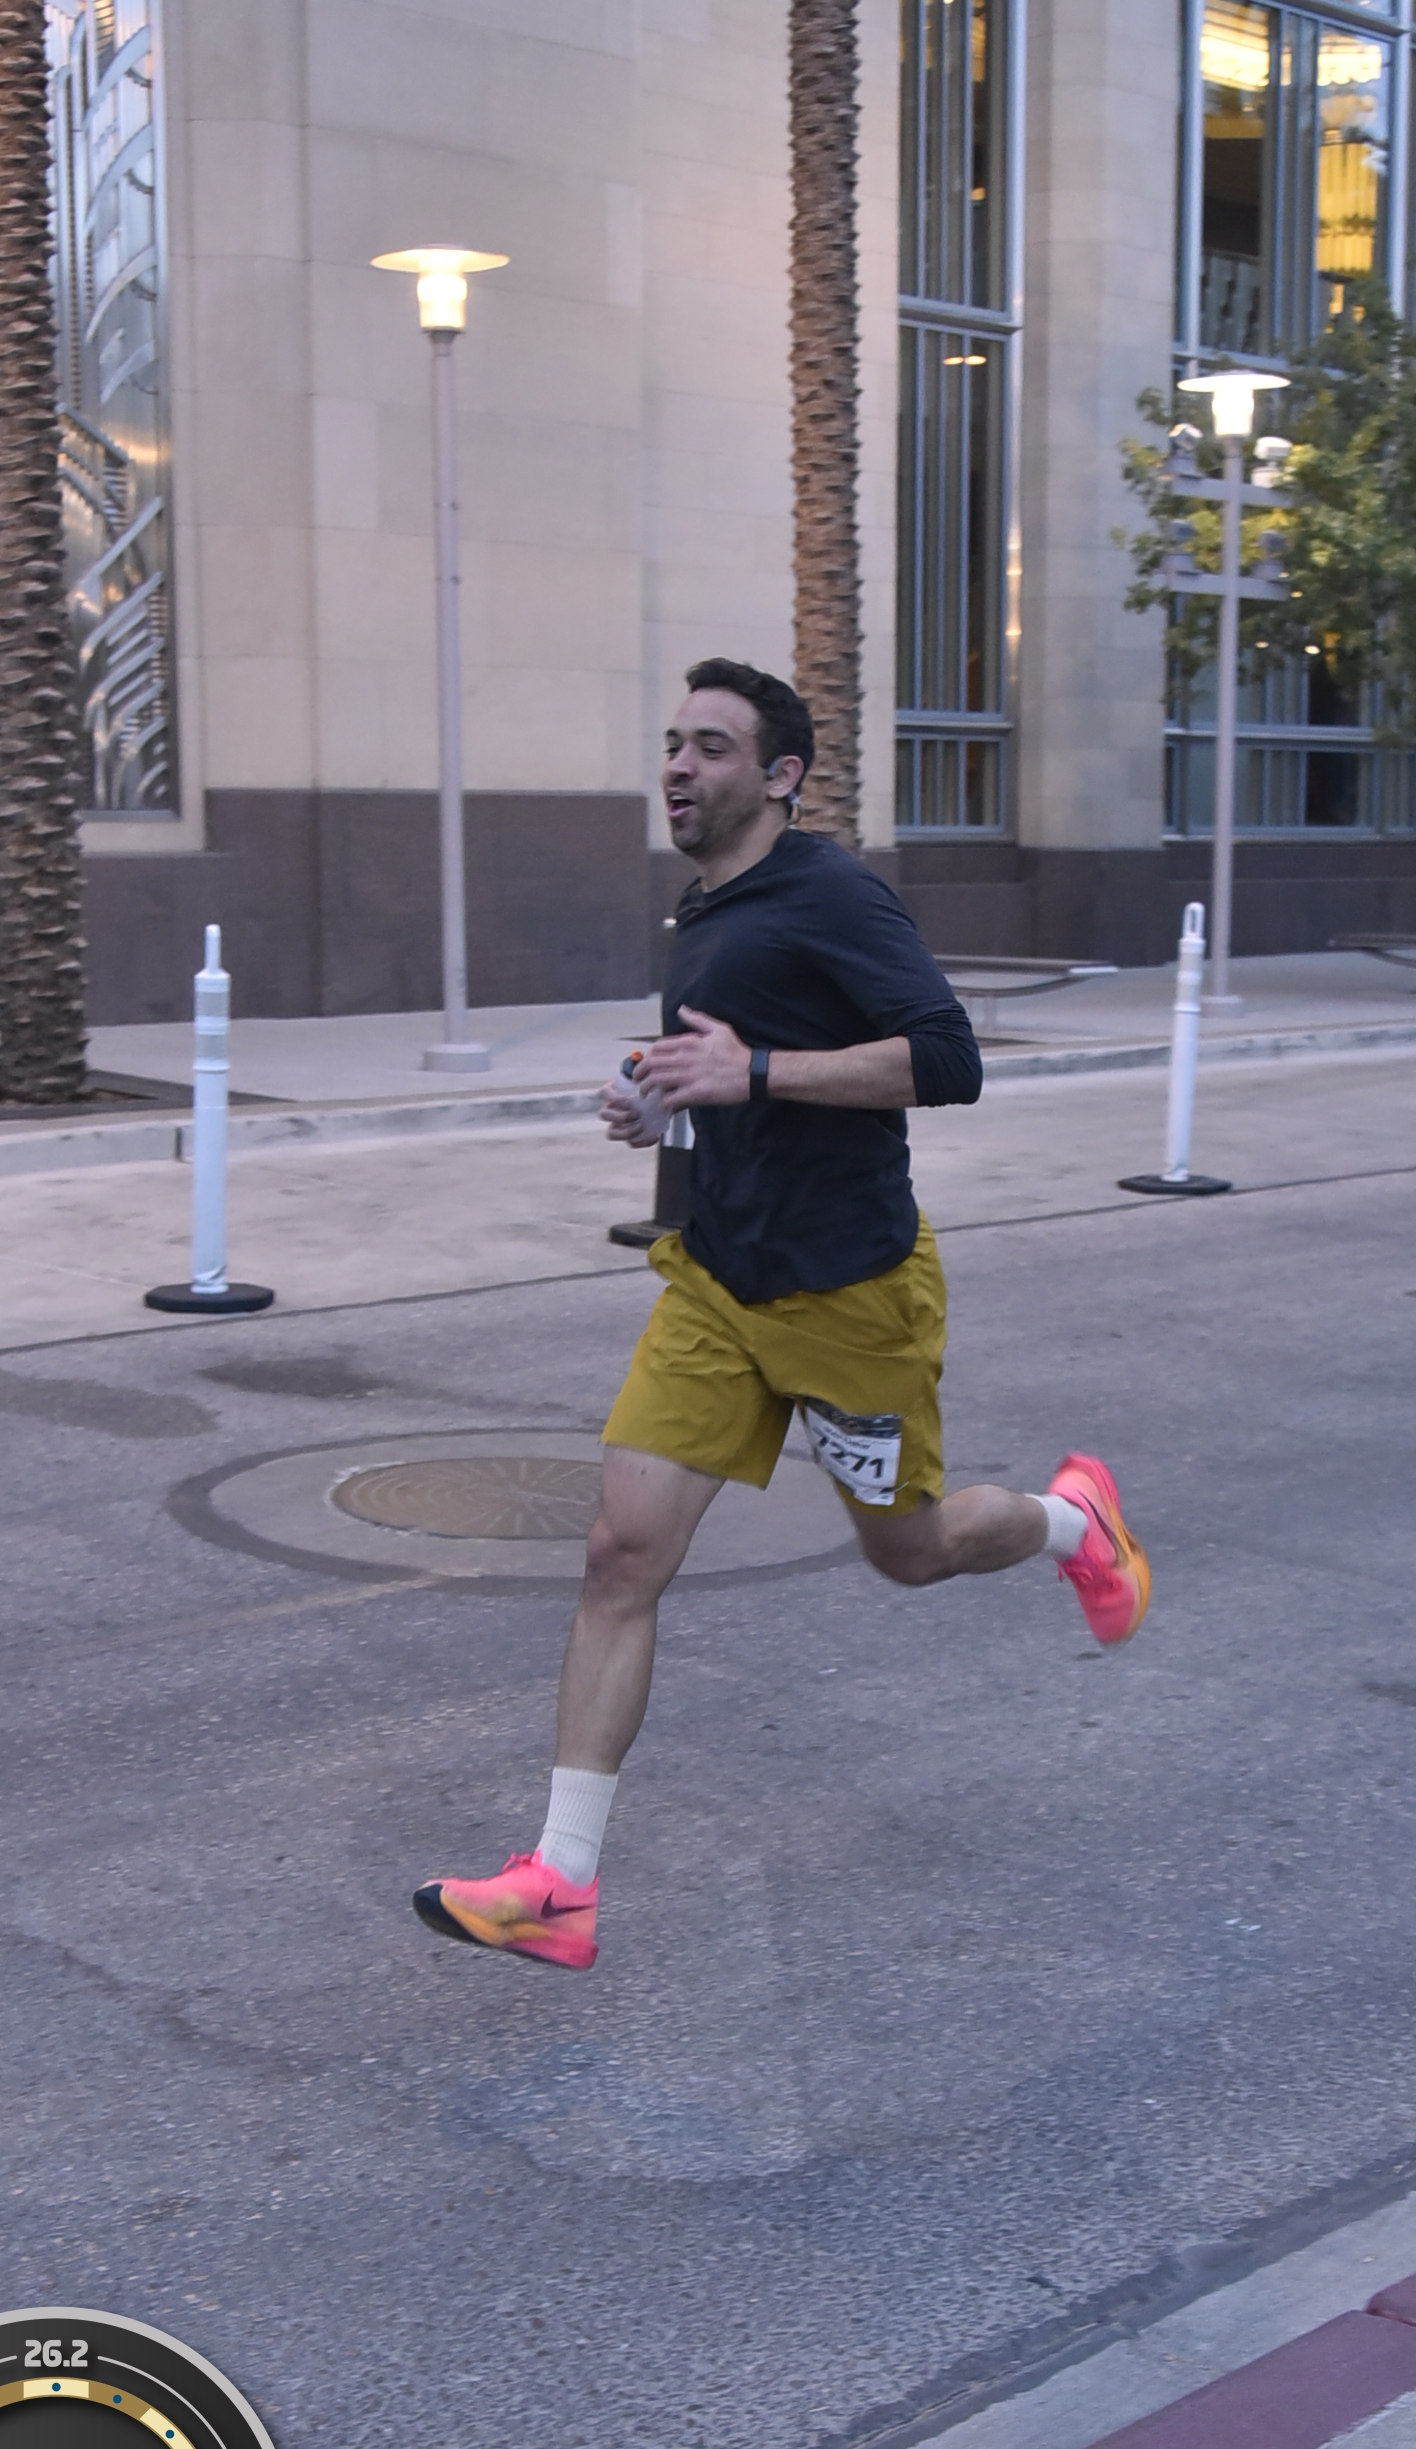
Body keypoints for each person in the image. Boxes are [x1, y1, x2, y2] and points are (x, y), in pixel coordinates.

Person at [414, 659, 1148, 1971]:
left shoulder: (831, 892)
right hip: (717, 1283)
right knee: (619, 1556)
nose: (678, 765)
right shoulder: (710, 906)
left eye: (711, 746)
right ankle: (560, 1884)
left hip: (850, 1294)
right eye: (673, 742)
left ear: (781, 774)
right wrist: (663, 1100)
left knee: (909, 1551)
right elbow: (728, 1072)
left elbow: (950, 1059)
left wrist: (752, 1069)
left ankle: (1072, 1523)